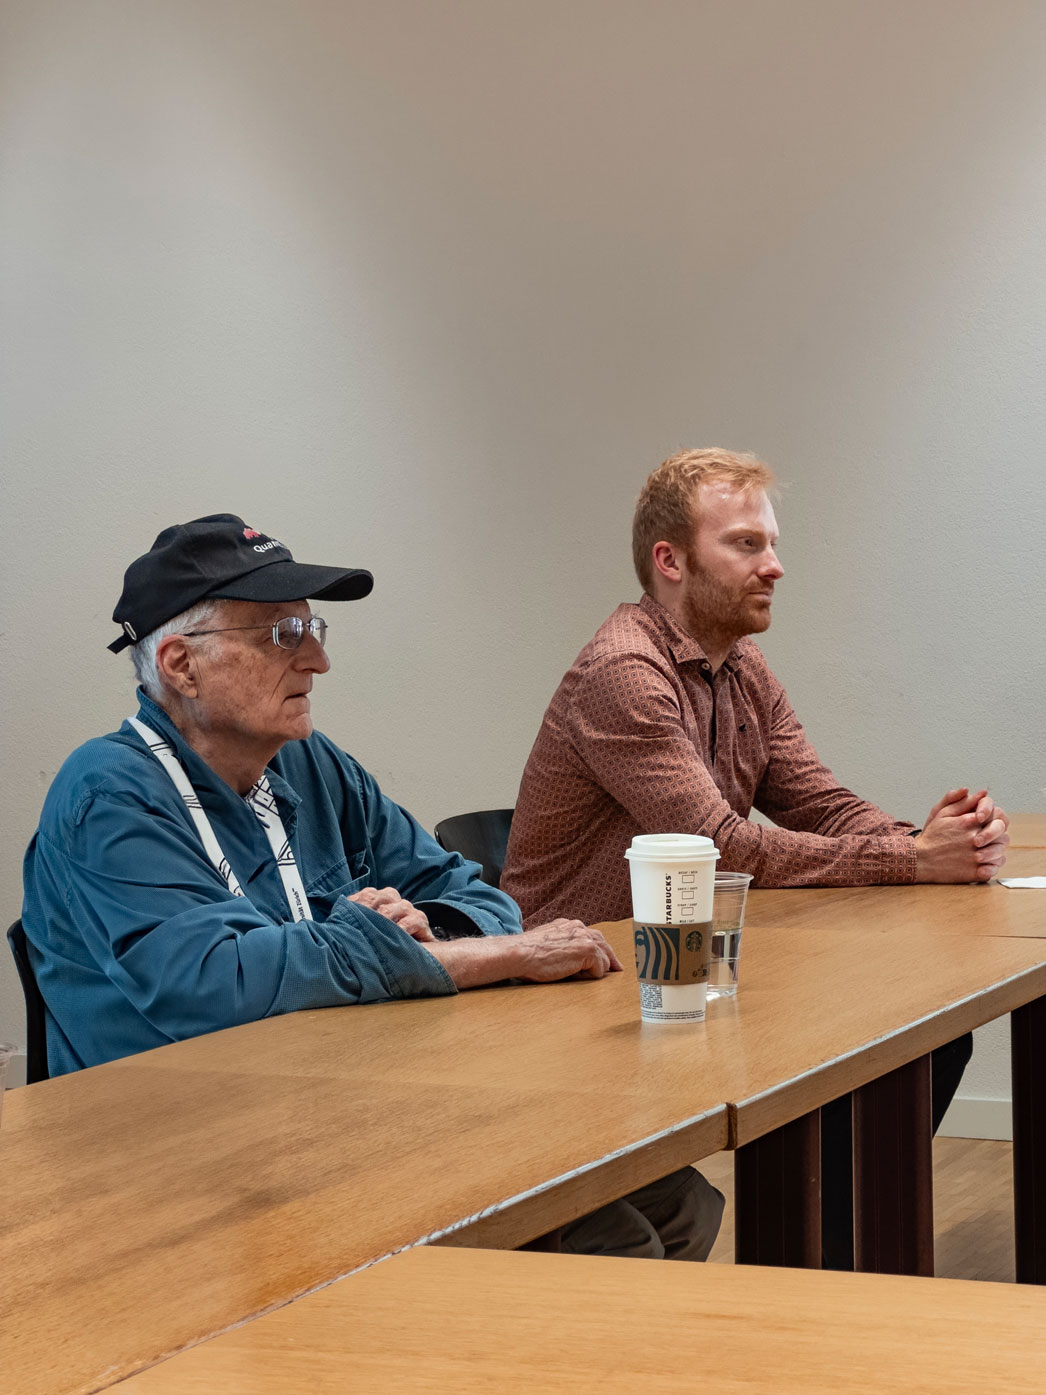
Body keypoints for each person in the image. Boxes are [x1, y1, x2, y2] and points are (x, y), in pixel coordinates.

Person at [22, 512, 721, 1262]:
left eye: (312, 628)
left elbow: (476, 894)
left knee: (679, 1198)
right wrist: (457, 955)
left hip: (342, 1106)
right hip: (183, 1164)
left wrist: (422, 935)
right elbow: (214, 984)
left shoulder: (307, 762)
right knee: (611, 1239)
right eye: (282, 635)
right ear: (180, 665)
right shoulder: (108, 795)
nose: (317, 659)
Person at [502, 447, 1009, 1265]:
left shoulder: (739, 664)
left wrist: (932, 840)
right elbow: (725, 846)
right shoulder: (624, 672)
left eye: (771, 543)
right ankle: (813, 1284)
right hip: (575, 1003)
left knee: (924, 1041)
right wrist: (916, 859)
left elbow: (819, 800)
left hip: (677, 972)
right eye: (745, 544)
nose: (774, 565)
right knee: (856, 1053)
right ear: (670, 561)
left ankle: (831, 1282)